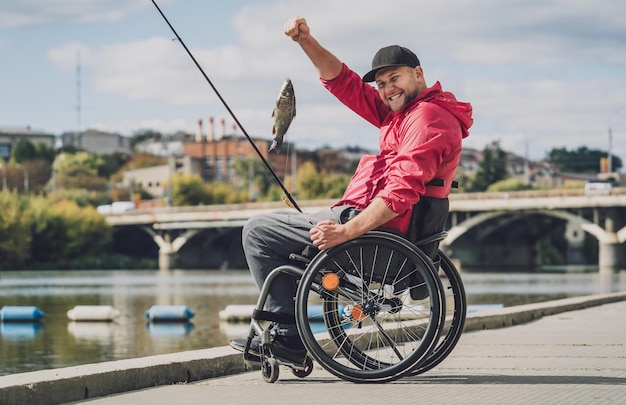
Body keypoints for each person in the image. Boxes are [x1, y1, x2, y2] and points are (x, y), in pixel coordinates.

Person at [230, 16, 473, 363]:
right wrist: (305, 41)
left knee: (258, 232)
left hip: (374, 235)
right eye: (382, 84)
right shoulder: (403, 113)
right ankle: (290, 333)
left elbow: (398, 193)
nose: (388, 89)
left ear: (418, 74)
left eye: (395, 78)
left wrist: (344, 232)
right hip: (377, 230)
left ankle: (288, 337)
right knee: (279, 234)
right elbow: (344, 83)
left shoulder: (426, 118)